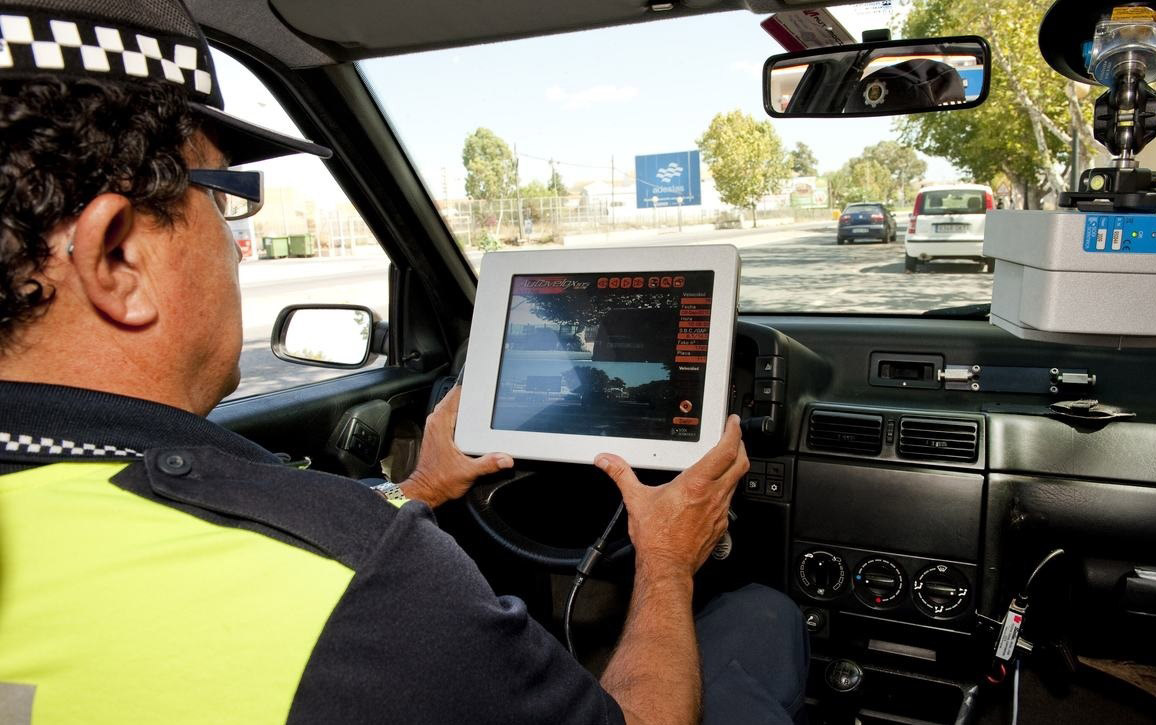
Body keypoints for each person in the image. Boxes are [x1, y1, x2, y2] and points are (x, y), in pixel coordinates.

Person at [0, 1, 808, 723]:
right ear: (117, 258)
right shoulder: (361, 590)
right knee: (763, 618)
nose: (236, 241)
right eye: (223, 196)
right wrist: (668, 561)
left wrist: (418, 487)